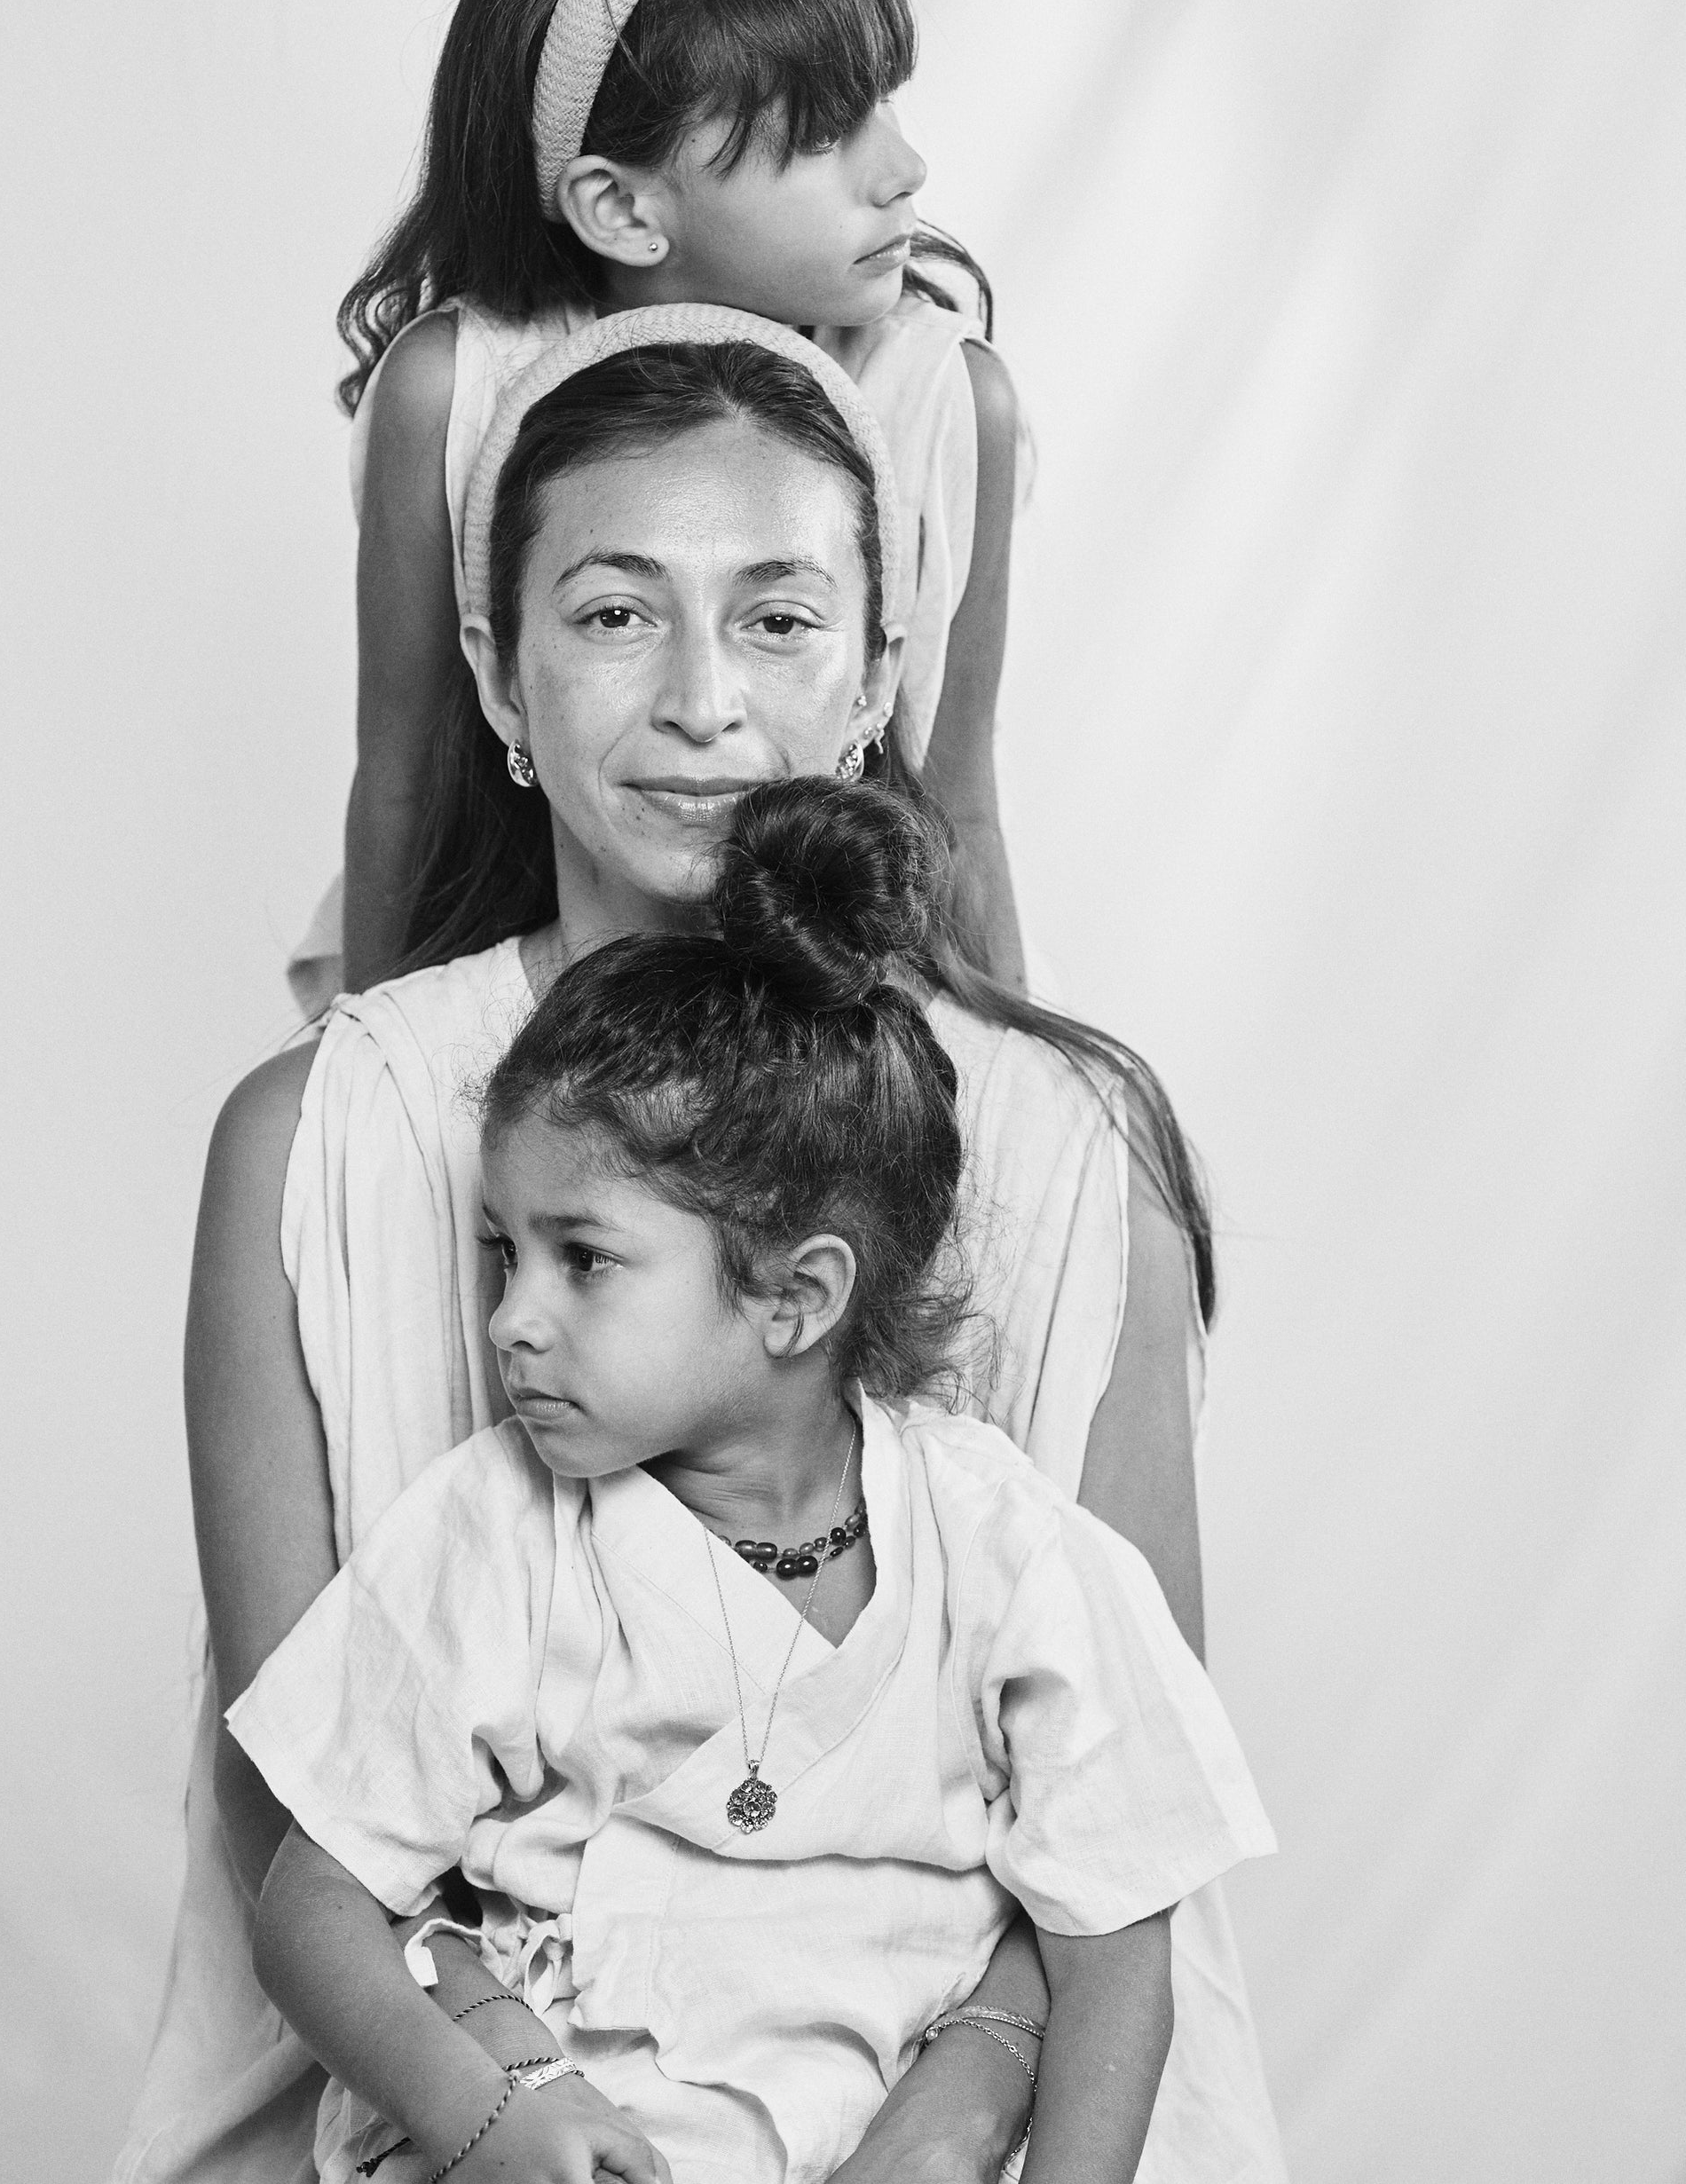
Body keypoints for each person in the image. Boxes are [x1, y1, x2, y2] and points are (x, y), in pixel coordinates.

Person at [114, 315, 1284, 2182]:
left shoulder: (1066, 1146)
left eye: (778, 615)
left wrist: (952, 2103)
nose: (700, 702)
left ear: (878, 667)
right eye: (611, 613)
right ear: (495, 671)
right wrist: (523, 2101)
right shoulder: (319, 1134)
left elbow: (1120, 1808)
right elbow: (298, 1814)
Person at [232, 777, 1274, 2184]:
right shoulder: (499, 1533)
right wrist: (484, 2116)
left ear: (794, 1297)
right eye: (502, 1254)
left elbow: (1115, 1941)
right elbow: (311, 1905)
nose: (512, 1320)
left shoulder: (1005, 1552)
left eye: (581, 1259)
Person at [287, 0, 1026, 1012]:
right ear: (624, 210)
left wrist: (1005, 1098)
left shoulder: (945, 401)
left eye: (884, 104)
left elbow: (960, 800)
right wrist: (381, 1097)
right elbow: (404, 782)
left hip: (827, 1029)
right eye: (826, 134)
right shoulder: (454, 391)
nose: (902, 168)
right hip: (532, 1014)